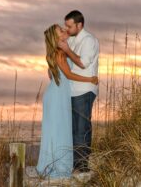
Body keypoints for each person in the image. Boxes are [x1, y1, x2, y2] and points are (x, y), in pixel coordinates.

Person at [36, 24, 98, 179]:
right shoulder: (59, 54)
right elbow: (69, 75)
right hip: (57, 97)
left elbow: (53, 75)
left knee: (57, 130)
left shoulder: (58, 53)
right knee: (59, 130)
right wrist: (90, 79)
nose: (65, 32)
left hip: (57, 95)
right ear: (57, 39)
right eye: (61, 32)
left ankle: (51, 164)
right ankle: (57, 166)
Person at [58, 10, 99, 172]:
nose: (66, 29)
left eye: (69, 26)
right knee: (75, 128)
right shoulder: (73, 39)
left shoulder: (88, 40)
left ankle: (82, 165)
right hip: (73, 89)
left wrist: (67, 49)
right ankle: (76, 163)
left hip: (84, 89)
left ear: (79, 25)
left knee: (82, 128)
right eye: (65, 26)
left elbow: (83, 63)